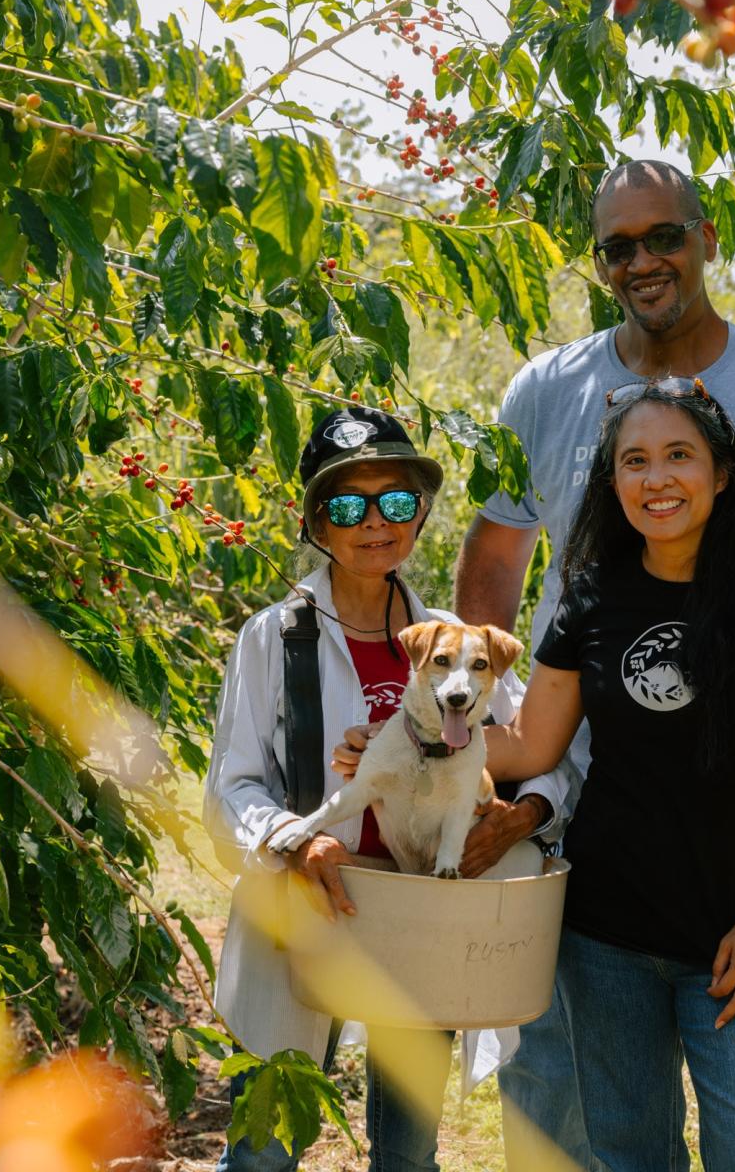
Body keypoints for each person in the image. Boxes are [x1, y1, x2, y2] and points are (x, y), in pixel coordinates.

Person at [457, 159, 735, 1170]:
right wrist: (441, 748)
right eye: (618, 246)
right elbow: (493, 577)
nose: (643, 260)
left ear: (708, 237)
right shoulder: (548, 394)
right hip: (586, 821)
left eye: (664, 237)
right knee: (579, 1092)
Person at [481, 380, 735, 1170]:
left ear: (722, 471)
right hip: (605, 939)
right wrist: (413, 742)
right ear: (612, 484)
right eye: (634, 461)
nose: (657, 479)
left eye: (679, 455)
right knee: (631, 1158)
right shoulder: (591, 597)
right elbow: (527, 745)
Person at [204, 406, 569, 1172]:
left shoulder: (452, 644)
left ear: (421, 514)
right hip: (310, 905)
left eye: (396, 501)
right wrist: (299, 839)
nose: (375, 523)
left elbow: (544, 755)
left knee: (408, 1154)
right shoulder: (277, 637)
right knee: (265, 1151)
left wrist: (524, 813)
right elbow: (232, 786)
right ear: (314, 522)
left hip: (418, 913)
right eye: (347, 506)